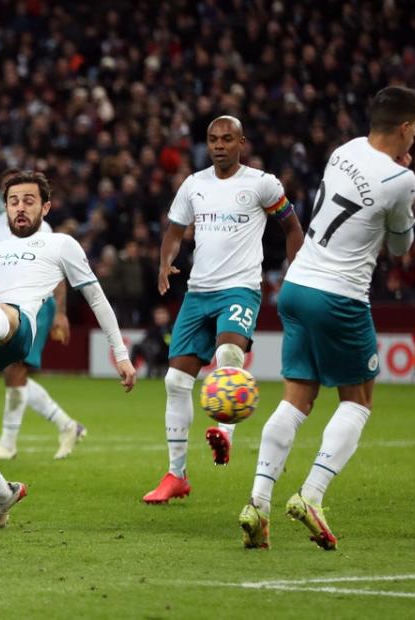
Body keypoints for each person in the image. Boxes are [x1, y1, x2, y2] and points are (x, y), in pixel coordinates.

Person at [239, 86, 415, 550]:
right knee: (358, 400)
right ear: (404, 127)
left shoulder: (344, 151)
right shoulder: (402, 179)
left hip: (296, 286)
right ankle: (312, 495)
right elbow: (401, 247)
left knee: (296, 399)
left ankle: (257, 505)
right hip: (340, 296)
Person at [0, 171, 136, 528]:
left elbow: (96, 298)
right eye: (13, 202)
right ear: (5, 208)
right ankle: (2, 492)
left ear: (46, 207)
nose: (20, 208)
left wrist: (121, 353)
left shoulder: (60, 245)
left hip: (17, 325)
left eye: (29, 201)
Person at [142, 116, 304, 505]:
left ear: (241, 143)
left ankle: (224, 432)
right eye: (213, 139)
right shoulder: (194, 185)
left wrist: (293, 276)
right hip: (198, 293)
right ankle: (176, 476)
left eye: (227, 139)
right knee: (175, 382)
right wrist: (166, 261)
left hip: (240, 289)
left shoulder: (262, 184)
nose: (219, 145)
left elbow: (293, 229)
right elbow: (175, 231)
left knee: (228, 353)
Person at [0, 172, 87, 461]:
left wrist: (61, 313)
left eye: (23, 197)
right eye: (10, 196)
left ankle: (8, 443)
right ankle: (67, 425)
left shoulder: (43, 228)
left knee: (15, 370)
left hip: (38, 305)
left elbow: (57, 273)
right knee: (13, 373)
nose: (17, 203)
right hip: (8, 304)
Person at [131, 304, 173, 378]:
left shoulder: (171, 328)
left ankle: (149, 374)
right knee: (137, 347)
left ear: (167, 316)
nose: (159, 316)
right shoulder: (152, 328)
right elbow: (144, 341)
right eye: (158, 314)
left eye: (162, 314)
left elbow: (169, 344)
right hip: (152, 354)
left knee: (154, 349)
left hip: (165, 354)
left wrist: (164, 333)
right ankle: (131, 371)